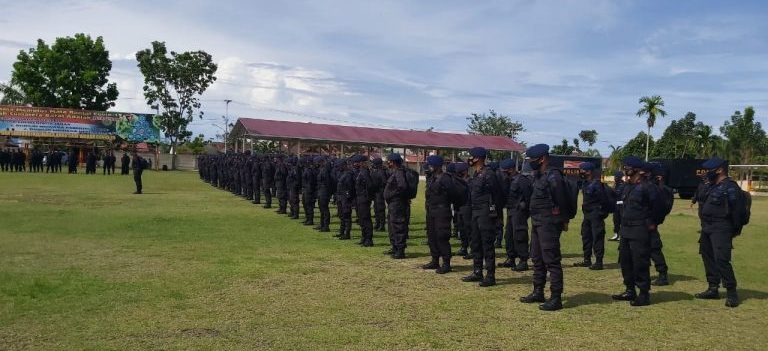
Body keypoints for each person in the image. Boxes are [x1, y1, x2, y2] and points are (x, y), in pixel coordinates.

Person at [520, 144, 569, 311]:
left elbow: (561, 200)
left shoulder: (553, 176)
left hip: (548, 223)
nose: (530, 163)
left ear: (542, 159)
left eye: (532, 160)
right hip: (537, 222)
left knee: (551, 260)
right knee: (537, 258)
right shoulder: (538, 175)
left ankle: (556, 297)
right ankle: (538, 291)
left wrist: (562, 220)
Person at [611, 156, 663, 307]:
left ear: (638, 170)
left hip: (640, 229)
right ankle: (629, 289)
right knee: (625, 261)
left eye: (628, 167)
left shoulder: (648, 187)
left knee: (640, 261)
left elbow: (659, 207)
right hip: (626, 229)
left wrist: (653, 223)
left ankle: (644, 294)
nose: (625, 170)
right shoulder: (628, 186)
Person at [694, 157, 745, 308]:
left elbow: (738, 212)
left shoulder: (730, 187)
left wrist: (734, 230)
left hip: (722, 227)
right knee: (707, 255)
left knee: (722, 259)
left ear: (720, 170)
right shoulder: (711, 186)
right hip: (707, 227)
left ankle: (731, 292)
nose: (706, 173)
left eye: (709, 170)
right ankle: (713, 288)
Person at [461, 147, 502, 287]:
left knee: (487, 244)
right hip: (475, 212)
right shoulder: (476, 174)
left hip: (485, 213)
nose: (469, 159)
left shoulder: (489, 174)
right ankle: (477, 271)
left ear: (478, 158)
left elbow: (497, 196)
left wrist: (496, 215)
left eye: (471, 157)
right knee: (476, 243)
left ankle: (490, 275)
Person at [573, 161, 608, 270]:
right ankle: (587, 259)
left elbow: (604, 200)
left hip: (596, 214)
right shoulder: (585, 183)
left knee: (597, 237)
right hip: (587, 214)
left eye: (582, 171)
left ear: (589, 172)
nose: (581, 172)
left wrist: (601, 213)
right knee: (586, 236)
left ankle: (599, 261)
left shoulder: (597, 184)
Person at [499, 159, 532, 272]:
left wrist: (524, 210)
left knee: (519, 235)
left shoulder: (522, 180)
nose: (503, 173)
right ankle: (511, 258)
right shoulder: (508, 180)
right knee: (508, 236)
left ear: (512, 169)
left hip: (519, 211)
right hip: (510, 210)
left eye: (505, 171)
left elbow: (528, 197)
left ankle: (523, 260)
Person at [422, 155, 453, 273]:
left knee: (442, 236)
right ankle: (435, 260)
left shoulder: (445, 178)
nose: (427, 166)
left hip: (442, 211)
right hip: (431, 211)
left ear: (435, 166)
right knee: (432, 236)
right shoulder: (432, 178)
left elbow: (452, 193)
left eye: (429, 164)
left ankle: (446, 263)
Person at [649, 163, 672, 286]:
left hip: (651, 224)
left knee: (654, 249)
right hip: (642, 223)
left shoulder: (664, 191)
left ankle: (663, 274)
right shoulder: (652, 187)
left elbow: (662, 209)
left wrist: (653, 222)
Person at [384, 153, 409, 258]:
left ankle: (400, 250)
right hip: (393, 204)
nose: (387, 163)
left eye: (389, 161)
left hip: (397, 204)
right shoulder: (395, 172)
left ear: (393, 162)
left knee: (398, 226)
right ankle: (395, 247)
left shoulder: (399, 173)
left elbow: (402, 186)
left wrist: (392, 195)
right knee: (392, 226)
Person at [353, 155, 375, 247]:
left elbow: (370, 185)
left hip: (364, 198)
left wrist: (367, 196)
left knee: (366, 219)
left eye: (356, 162)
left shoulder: (365, 172)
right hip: (360, 198)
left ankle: (369, 239)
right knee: (361, 219)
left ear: (361, 163)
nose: (355, 164)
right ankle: (364, 237)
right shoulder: (360, 172)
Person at [335, 158, 355, 240]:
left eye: (339, 166)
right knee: (342, 215)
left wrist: (347, 197)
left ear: (344, 165)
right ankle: (342, 231)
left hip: (345, 198)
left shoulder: (348, 174)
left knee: (346, 216)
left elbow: (350, 187)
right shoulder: (342, 173)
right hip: (340, 197)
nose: (338, 168)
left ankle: (347, 233)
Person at [371, 158, 388, 232]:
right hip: (376, 192)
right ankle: (377, 223)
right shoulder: (376, 171)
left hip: (380, 192)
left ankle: (382, 225)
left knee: (380, 209)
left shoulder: (381, 171)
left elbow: (384, 182)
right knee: (376, 209)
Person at [315, 156, 332, 232]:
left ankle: (326, 226)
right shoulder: (321, 170)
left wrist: (328, 193)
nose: (317, 164)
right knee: (321, 209)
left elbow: (328, 183)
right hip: (321, 191)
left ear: (322, 162)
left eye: (318, 162)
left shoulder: (325, 171)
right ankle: (322, 224)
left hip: (324, 192)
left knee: (324, 209)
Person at [609, 171, 625, 241]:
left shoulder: (622, 185)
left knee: (621, 220)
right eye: (615, 177)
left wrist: (609, 190)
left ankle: (621, 235)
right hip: (616, 206)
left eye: (616, 177)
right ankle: (616, 235)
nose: (615, 178)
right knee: (616, 221)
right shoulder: (616, 184)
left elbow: (617, 194)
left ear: (620, 177)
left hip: (621, 205)